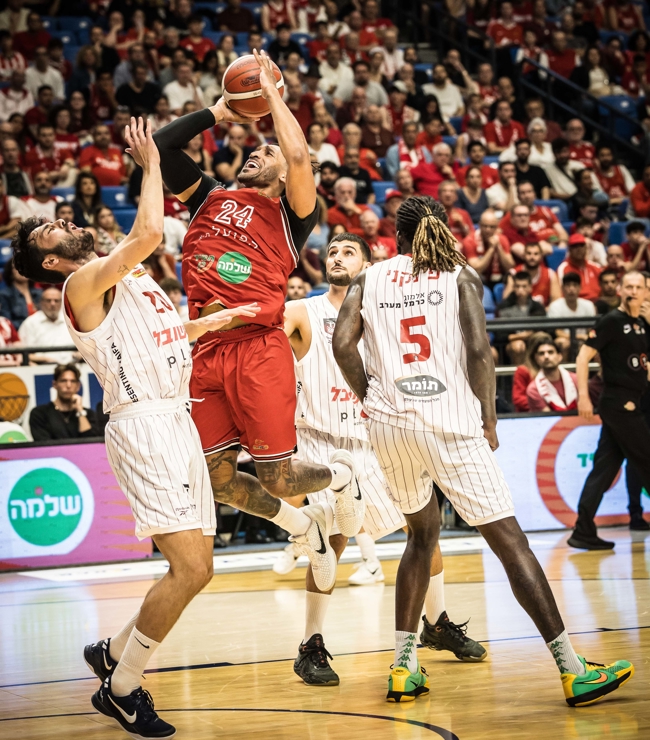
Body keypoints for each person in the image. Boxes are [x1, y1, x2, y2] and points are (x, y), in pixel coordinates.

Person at [11, 116, 260, 740]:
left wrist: (208, 325)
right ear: (50, 259)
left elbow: (157, 334)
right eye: (51, 230)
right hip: (144, 426)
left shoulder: (122, 273)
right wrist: (152, 164)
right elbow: (149, 231)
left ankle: (112, 653)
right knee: (191, 569)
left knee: (200, 567)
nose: (64, 221)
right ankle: (121, 689)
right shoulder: (81, 283)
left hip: (175, 417)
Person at [333, 194, 633, 705]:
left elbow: (342, 345)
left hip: (389, 426)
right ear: (440, 229)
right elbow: (478, 350)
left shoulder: (369, 277)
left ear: (397, 236)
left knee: (420, 536)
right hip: (448, 422)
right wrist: (489, 418)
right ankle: (572, 669)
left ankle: (403, 668)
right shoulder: (460, 275)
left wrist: (371, 398)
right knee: (510, 542)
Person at [153, 50, 365, 595]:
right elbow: (159, 147)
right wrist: (219, 111)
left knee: (278, 475)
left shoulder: (293, 216)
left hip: (258, 347)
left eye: (266, 150)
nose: (256, 151)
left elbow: (297, 154)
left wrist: (270, 94)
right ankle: (303, 527)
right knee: (218, 480)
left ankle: (343, 476)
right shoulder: (209, 198)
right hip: (206, 350)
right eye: (255, 147)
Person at [283, 232, 485, 685]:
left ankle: (436, 623)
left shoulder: (384, 311)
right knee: (331, 542)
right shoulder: (302, 312)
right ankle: (310, 644)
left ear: (369, 267)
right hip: (324, 444)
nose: (337, 257)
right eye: (332, 252)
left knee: (424, 529)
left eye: (348, 252)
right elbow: (259, 331)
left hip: (376, 438)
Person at [569, 271, 650, 549]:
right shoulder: (611, 321)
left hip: (634, 402)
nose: (633, 291)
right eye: (629, 286)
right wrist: (583, 396)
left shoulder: (642, 323)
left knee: (604, 469)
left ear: (646, 291)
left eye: (638, 287)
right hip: (619, 405)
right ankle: (583, 527)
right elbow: (583, 357)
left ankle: (583, 529)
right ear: (620, 290)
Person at [29, 362, 99, 439]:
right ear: (55, 384)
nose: (68, 385)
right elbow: (43, 443)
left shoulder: (89, 414)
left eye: (73, 381)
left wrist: (80, 411)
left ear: (78, 386)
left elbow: (91, 442)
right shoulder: (40, 413)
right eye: (63, 381)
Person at [17, 285, 75, 364]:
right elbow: (23, 354)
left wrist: (79, 354)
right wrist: (45, 359)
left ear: (62, 303)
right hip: (42, 367)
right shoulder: (30, 323)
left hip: (73, 366)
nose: (52, 304)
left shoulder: (70, 321)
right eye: (48, 300)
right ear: (41, 302)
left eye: (56, 300)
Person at [462, 208, 514, 288]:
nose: (488, 230)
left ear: (497, 227)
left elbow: (509, 266)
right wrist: (491, 249)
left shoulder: (502, 239)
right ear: (479, 225)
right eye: (485, 226)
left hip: (499, 279)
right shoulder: (469, 241)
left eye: (492, 227)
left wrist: (498, 247)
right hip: (476, 281)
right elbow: (476, 270)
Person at [547, 272, 597, 356]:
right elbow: (558, 332)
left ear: (580, 288)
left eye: (575, 285)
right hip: (564, 339)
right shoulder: (555, 306)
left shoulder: (589, 305)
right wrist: (579, 336)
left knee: (595, 344)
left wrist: (591, 338)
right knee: (565, 343)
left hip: (585, 339)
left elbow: (592, 330)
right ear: (562, 288)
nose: (571, 289)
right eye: (568, 285)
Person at [526, 339, 579, 411]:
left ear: (560, 356)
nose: (546, 356)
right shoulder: (533, 390)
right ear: (536, 358)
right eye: (541, 353)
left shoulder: (577, 380)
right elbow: (548, 415)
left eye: (550, 352)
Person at [503, 241, 561, 307]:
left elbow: (556, 302)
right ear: (523, 255)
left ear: (541, 256)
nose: (532, 257)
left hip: (543, 312)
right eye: (529, 253)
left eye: (536, 254)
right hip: (518, 312)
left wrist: (542, 311)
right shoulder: (513, 274)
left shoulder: (550, 274)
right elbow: (506, 302)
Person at [557, 233, 602, 302]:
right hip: (575, 304)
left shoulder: (595, 267)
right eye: (575, 246)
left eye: (581, 245)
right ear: (570, 250)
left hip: (598, 304)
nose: (579, 249)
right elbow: (560, 294)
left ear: (585, 248)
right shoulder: (563, 268)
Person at [0, 256, 41, 328]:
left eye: (26, 267)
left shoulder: (40, 293)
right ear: (10, 272)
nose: (22, 270)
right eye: (17, 267)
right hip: (19, 332)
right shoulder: (4, 295)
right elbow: (7, 323)